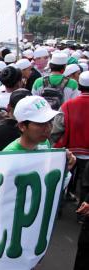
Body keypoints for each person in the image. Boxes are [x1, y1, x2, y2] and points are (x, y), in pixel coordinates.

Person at [52, 71, 89, 222]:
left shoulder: (68, 105)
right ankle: (82, 214)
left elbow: (57, 129)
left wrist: (53, 147)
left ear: (79, 86)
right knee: (86, 186)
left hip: (69, 152)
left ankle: (56, 211)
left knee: (62, 181)